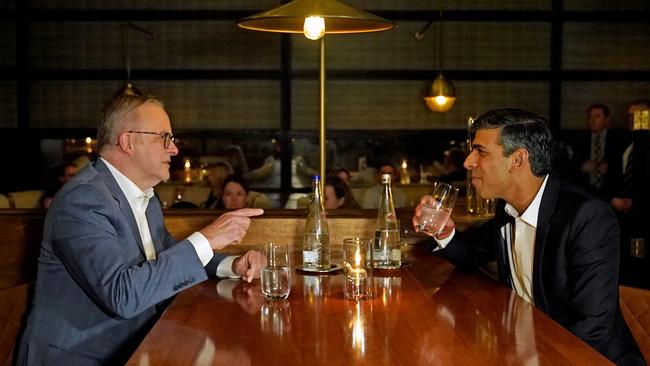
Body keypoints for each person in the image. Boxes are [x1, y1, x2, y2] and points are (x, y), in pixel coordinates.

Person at [18, 94, 266, 366]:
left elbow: (168, 252)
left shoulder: (145, 197)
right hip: (82, 357)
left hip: (140, 347)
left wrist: (232, 265)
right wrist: (207, 238)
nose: (174, 150)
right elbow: (122, 296)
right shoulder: (82, 200)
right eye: (165, 138)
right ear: (128, 142)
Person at [412, 108, 644, 365]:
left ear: (518, 160)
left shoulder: (588, 218)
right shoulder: (508, 207)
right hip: (525, 350)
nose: (468, 162)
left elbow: (592, 331)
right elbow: (470, 254)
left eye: (481, 151)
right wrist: (443, 231)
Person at [575, 103, 625, 200]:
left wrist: (608, 169)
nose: (592, 120)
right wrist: (582, 168)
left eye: (597, 116)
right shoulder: (579, 140)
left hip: (611, 192)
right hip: (585, 191)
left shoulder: (617, 140)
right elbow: (571, 165)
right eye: (590, 117)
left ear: (607, 120)